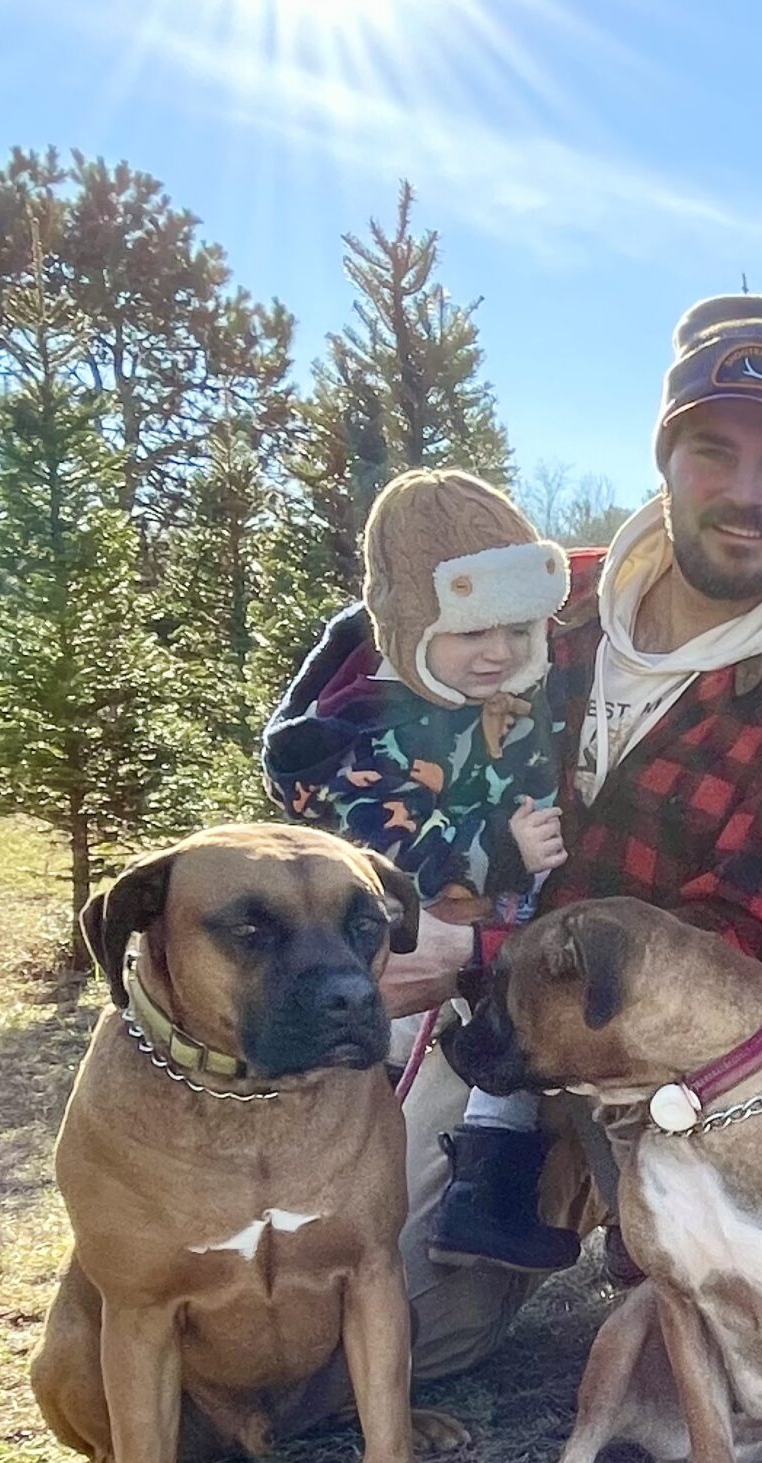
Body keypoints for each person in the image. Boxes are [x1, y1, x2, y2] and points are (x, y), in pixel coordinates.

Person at [260, 293, 762, 1399]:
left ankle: (645, 1245)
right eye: (714, 449)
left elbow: (724, 949)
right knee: (329, 1333)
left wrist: (477, 945)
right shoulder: (549, 595)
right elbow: (373, 688)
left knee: (753, 1383)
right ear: (666, 457)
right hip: (468, 1018)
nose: (747, 493)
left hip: (665, 1064)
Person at [264, 468, 578, 1272]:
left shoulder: (506, 694)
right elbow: (392, 846)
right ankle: (322, 1215)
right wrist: (499, 852)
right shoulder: (373, 727)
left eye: (516, 629)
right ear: (411, 628)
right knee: (483, 1022)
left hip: (495, 925)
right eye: (473, 633)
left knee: (512, 1019)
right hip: (418, 936)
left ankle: (486, 1188)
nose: (499, 651)